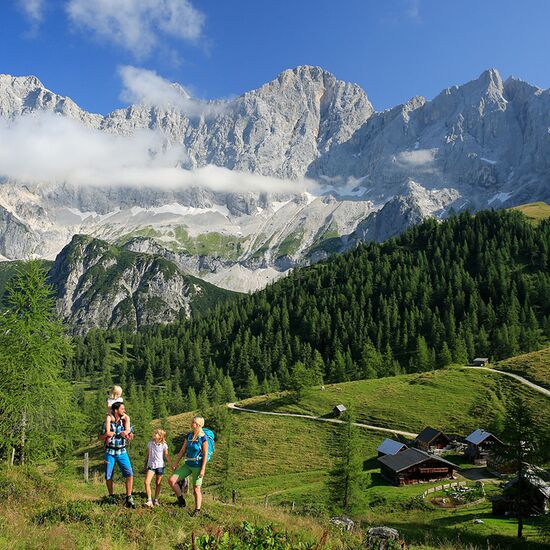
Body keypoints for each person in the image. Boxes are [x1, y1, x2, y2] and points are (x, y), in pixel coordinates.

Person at [168, 416, 208, 516]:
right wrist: (176, 462)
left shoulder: (203, 438)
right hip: (188, 465)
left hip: (198, 466)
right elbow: (182, 450)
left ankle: (197, 510)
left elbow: (205, 454)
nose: (191, 424)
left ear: (198, 425)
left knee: (196, 489)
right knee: (172, 480)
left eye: (194, 422)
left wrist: (203, 469)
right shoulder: (189, 436)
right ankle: (181, 501)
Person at [100, 402, 136, 508]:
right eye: (122, 409)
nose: (124, 411)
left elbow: (131, 436)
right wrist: (106, 434)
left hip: (122, 452)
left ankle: (129, 497)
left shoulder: (125, 421)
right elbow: (100, 437)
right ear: (116, 410)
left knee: (129, 474)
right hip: (110, 452)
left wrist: (128, 435)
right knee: (108, 475)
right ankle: (111, 496)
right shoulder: (107, 423)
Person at [144, 428, 171, 508]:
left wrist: (172, 465)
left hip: (160, 466)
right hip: (151, 465)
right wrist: (145, 464)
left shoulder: (164, 445)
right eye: (155, 432)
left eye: (156, 433)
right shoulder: (150, 443)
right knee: (146, 482)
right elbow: (148, 454)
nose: (154, 434)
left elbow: (166, 455)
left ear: (160, 436)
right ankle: (149, 500)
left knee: (158, 483)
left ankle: (155, 499)